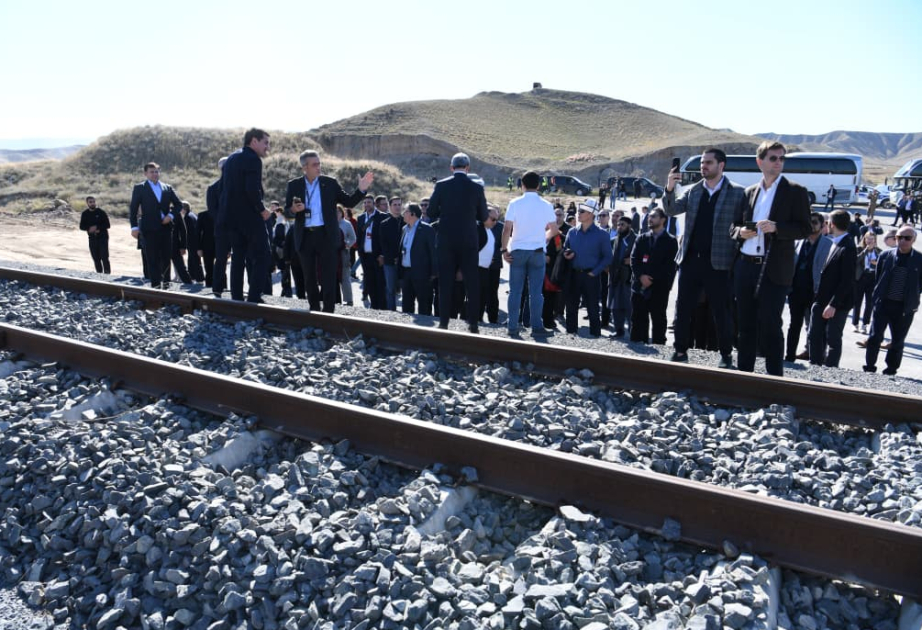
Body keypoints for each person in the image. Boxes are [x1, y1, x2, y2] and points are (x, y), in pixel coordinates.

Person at [731, 140, 812, 376]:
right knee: (745, 325)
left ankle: (774, 378)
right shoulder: (749, 192)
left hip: (774, 269)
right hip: (746, 265)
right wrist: (740, 233)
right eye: (773, 158)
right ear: (760, 162)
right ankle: (744, 375)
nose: (778, 163)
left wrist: (778, 228)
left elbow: (805, 228)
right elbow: (734, 226)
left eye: (781, 158)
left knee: (770, 325)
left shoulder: (795, 191)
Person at [664, 147, 747, 367]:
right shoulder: (693, 191)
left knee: (721, 311)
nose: (703, 166)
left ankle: (726, 354)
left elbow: (743, 223)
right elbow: (671, 210)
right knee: (683, 308)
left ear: (721, 165)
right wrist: (670, 187)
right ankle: (680, 351)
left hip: (719, 262)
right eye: (702, 163)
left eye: (708, 162)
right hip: (691, 260)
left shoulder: (737, 192)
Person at [285, 150, 373, 312]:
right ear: (305, 167)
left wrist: (361, 190)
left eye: (319, 163)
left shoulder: (330, 183)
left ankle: (329, 312)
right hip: (305, 236)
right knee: (309, 277)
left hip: (326, 236)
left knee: (329, 277)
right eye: (315, 164)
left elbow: (349, 202)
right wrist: (293, 209)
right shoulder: (294, 185)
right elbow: (287, 212)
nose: (319, 167)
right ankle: (314, 309)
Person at [427, 153, 489, 332]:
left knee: (445, 282)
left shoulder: (441, 186)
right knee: (472, 283)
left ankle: (444, 322)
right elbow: (484, 215)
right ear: (468, 168)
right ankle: (473, 323)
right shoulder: (476, 188)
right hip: (469, 240)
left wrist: (445, 215)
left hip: (446, 240)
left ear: (451, 168)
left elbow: (431, 211)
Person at [502, 171, 558, 336]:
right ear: (539, 185)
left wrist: (504, 249)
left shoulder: (514, 203)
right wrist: (543, 238)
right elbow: (554, 230)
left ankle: (512, 327)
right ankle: (536, 327)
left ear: (522, 185)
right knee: (536, 293)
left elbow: (507, 229)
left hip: (518, 251)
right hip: (537, 252)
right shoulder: (546, 205)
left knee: (515, 291)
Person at [863, 226, 922, 375]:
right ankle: (869, 366)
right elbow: (878, 278)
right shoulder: (885, 255)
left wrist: (913, 301)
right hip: (883, 303)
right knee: (875, 336)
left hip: (904, 307)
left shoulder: (919, 259)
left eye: (907, 238)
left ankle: (891, 369)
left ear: (913, 240)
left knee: (897, 340)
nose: (902, 241)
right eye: (899, 237)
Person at [220, 128, 271, 303]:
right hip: (250, 217)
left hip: (231, 218)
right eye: (265, 143)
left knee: (238, 257)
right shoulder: (253, 159)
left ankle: (236, 297)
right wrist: (262, 209)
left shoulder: (232, 158)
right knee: (263, 255)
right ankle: (254, 296)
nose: (267, 147)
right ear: (254, 141)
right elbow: (252, 189)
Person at [808, 210, 857, 367]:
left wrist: (834, 304)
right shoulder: (833, 241)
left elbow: (847, 280)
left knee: (833, 338)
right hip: (821, 299)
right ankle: (815, 366)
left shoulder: (848, 246)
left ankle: (830, 370)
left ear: (832, 224)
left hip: (836, 304)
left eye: (828, 222)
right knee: (814, 335)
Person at [786, 212, 832, 362]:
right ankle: (790, 355)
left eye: (814, 222)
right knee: (794, 325)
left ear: (822, 225)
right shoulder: (798, 242)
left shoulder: (828, 244)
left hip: (815, 292)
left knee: (814, 327)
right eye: (808, 222)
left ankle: (816, 357)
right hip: (796, 291)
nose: (811, 225)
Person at [129, 162, 184, 289]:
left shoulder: (167, 188)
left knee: (166, 257)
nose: (155, 174)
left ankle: (166, 285)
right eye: (152, 172)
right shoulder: (139, 188)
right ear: (146, 173)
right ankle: (155, 286)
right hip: (148, 228)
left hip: (165, 228)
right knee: (152, 258)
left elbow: (178, 205)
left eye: (157, 171)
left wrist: (170, 216)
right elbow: (133, 209)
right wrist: (134, 227)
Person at [562, 201, 613, 337]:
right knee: (571, 307)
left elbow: (608, 257)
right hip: (573, 275)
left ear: (591, 214)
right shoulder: (572, 232)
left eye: (582, 212)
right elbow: (565, 248)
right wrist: (566, 253)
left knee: (593, 308)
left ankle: (595, 336)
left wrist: (594, 272)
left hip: (591, 276)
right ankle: (570, 334)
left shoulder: (602, 235)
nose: (578, 214)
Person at [630, 207, 678, 344]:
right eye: (649, 216)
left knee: (658, 318)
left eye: (654, 217)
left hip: (659, 288)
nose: (650, 219)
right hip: (639, 286)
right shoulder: (642, 238)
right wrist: (641, 276)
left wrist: (652, 279)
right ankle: (639, 347)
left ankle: (658, 348)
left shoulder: (670, 241)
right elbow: (634, 259)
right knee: (638, 318)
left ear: (663, 220)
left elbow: (670, 265)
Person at [399, 203, 437, 315]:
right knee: (406, 305)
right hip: (407, 272)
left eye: (405, 211)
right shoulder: (404, 229)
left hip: (422, 273)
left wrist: (434, 272)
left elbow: (433, 252)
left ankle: (424, 330)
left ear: (412, 214)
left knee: (424, 305)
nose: (403, 214)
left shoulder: (427, 229)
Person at [607, 215, 636, 337]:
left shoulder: (637, 240)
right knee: (615, 306)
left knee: (630, 307)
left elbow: (646, 256)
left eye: (622, 224)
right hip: (615, 277)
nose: (619, 227)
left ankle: (633, 332)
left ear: (629, 226)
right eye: (618, 225)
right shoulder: (614, 240)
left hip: (629, 278)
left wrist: (632, 260)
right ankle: (619, 330)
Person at [356, 195, 386, 308]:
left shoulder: (382, 216)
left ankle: (382, 308)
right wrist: (360, 251)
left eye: (369, 202)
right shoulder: (361, 218)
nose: (367, 204)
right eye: (365, 202)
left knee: (380, 283)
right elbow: (359, 236)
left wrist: (383, 254)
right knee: (370, 282)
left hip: (378, 256)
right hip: (365, 256)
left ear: (374, 204)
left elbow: (385, 238)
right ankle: (374, 307)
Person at [476, 207, 503, 324]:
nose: (495, 222)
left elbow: (502, 246)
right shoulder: (476, 228)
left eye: (496, 219)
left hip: (492, 266)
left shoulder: (499, 228)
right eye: (493, 219)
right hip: (477, 268)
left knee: (491, 294)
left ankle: (492, 319)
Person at [377, 196, 404, 310]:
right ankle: (391, 313)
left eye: (399, 205)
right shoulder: (384, 223)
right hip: (389, 261)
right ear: (390, 206)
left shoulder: (406, 221)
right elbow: (383, 244)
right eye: (395, 205)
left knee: (406, 290)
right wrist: (392, 258)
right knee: (390, 289)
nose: (397, 207)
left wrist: (400, 257)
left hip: (405, 262)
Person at [207, 157, 229, 296]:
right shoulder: (213, 188)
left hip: (241, 229)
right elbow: (212, 211)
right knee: (220, 259)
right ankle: (217, 289)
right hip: (222, 229)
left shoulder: (240, 185)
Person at [852, 232, 881, 334]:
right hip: (860, 277)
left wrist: (876, 263)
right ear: (864, 239)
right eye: (868, 239)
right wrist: (865, 251)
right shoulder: (859, 249)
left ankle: (865, 324)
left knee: (869, 303)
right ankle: (855, 324)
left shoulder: (878, 251)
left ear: (875, 240)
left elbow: (882, 265)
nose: (870, 241)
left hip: (872, 277)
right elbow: (855, 260)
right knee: (857, 302)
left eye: (872, 239)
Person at [79, 196, 110, 274]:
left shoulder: (101, 212)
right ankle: (99, 274)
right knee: (96, 258)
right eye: (90, 202)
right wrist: (89, 229)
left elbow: (107, 224)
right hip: (92, 238)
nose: (92, 203)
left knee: (104, 257)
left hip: (103, 238)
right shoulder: (85, 214)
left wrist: (97, 227)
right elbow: (81, 226)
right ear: (87, 203)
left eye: (93, 202)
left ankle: (107, 275)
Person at [170, 202, 193, 285]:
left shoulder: (176, 213)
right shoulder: (157, 210)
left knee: (181, 267)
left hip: (175, 245)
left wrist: (183, 247)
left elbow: (183, 231)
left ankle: (188, 283)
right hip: (161, 245)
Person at [337, 206, 357, 305]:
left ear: (342, 213)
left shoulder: (347, 224)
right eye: (334, 212)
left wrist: (347, 244)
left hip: (343, 254)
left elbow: (353, 238)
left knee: (345, 277)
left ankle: (349, 300)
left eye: (338, 212)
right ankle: (336, 299)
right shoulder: (329, 223)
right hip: (332, 254)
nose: (336, 214)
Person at [196, 196, 217, 288]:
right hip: (206, 246)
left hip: (220, 245)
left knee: (222, 268)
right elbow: (197, 233)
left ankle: (222, 287)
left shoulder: (223, 214)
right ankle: (209, 286)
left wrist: (228, 249)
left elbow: (227, 232)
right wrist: (199, 248)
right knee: (208, 268)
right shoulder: (202, 215)